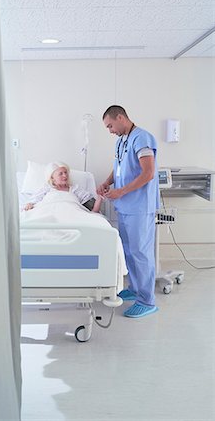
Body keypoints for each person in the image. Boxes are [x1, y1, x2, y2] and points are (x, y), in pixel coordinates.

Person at [97, 105, 160, 318]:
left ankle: (147, 300)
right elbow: (119, 167)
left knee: (141, 252)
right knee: (129, 250)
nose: (110, 130)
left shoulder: (142, 138)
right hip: (125, 206)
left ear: (121, 117)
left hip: (139, 206)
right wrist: (107, 182)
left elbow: (148, 173)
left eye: (110, 125)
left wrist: (122, 191)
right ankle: (134, 288)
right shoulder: (121, 141)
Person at [24, 161, 103, 212]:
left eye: (65, 172)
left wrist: (99, 197)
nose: (65, 175)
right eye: (60, 174)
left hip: (72, 216)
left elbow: (93, 211)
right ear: (52, 178)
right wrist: (29, 205)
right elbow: (32, 203)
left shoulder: (75, 189)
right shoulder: (47, 189)